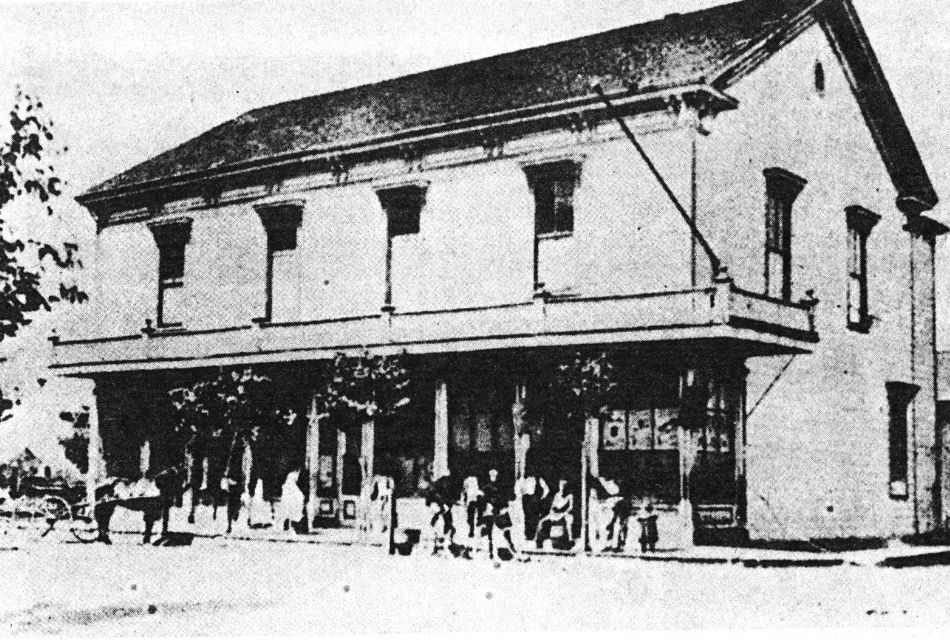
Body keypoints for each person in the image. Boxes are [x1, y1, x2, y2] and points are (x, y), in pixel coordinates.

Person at [481, 468, 516, 560]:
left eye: (495, 475)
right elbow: (484, 499)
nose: (493, 477)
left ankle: (512, 547)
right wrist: (487, 507)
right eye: (491, 475)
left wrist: (505, 507)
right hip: (490, 512)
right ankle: (491, 552)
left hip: (499, 511)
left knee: (506, 530)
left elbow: (505, 498)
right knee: (489, 533)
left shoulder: (500, 487)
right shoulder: (486, 487)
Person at [536, 479, 574, 550]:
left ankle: (570, 539)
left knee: (568, 519)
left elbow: (571, 507)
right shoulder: (557, 495)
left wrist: (564, 512)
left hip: (563, 513)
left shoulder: (569, 496)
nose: (562, 487)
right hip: (554, 513)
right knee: (541, 521)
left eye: (563, 486)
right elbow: (553, 506)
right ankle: (538, 541)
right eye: (561, 485)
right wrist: (553, 511)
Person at [516, 472, 549, 542]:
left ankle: (532, 536)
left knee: (534, 518)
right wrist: (521, 495)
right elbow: (517, 490)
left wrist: (541, 497)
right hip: (526, 500)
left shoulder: (539, 479)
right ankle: (527, 536)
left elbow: (546, 489)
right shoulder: (523, 479)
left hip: (534, 500)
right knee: (527, 518)